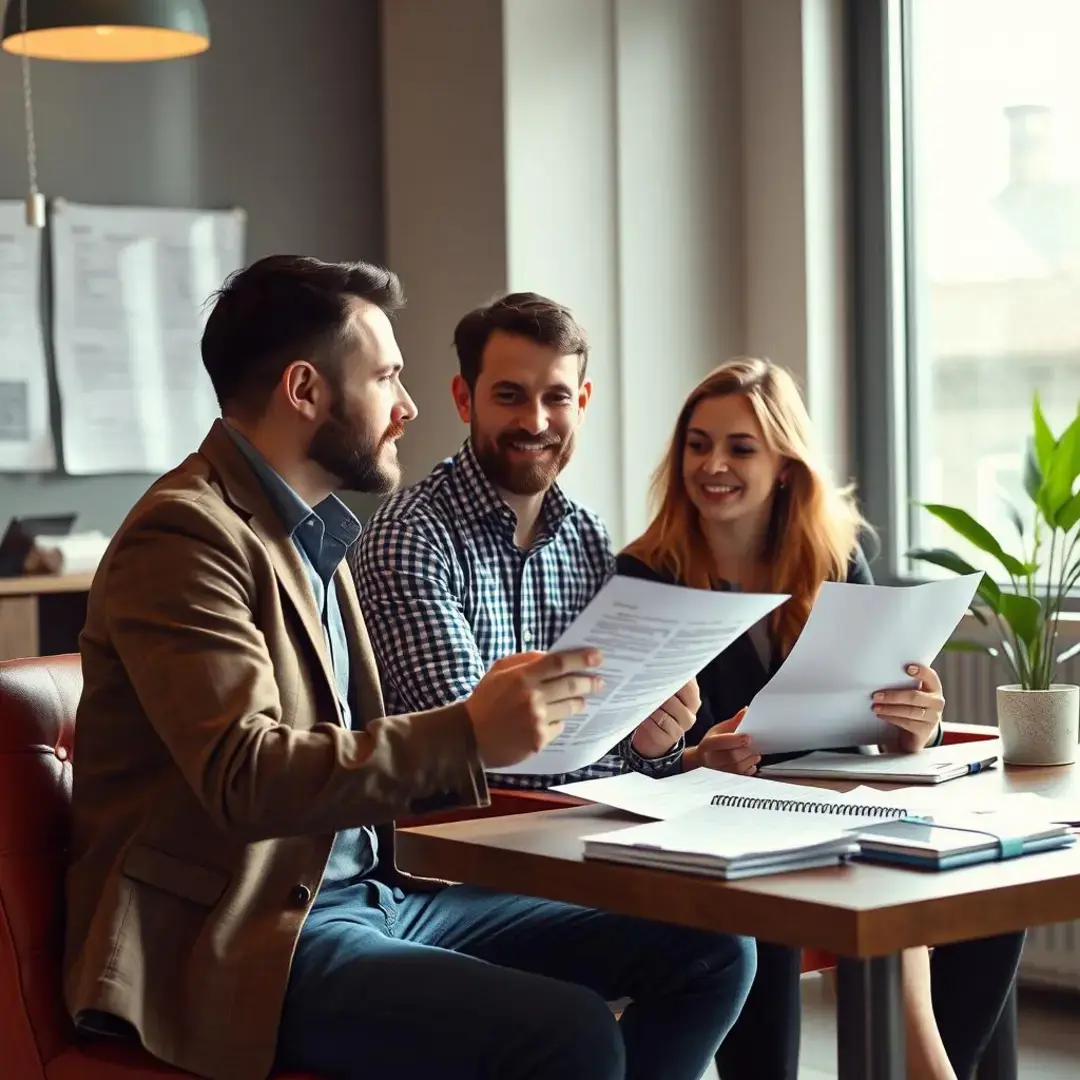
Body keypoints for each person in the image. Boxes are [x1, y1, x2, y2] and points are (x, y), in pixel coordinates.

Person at [61, 257, 758, 1080]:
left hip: (375, 898)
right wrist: (471, 729)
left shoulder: (312, 537)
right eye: (387, 376)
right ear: (305, 390)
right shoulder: (184, 537)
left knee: (716, 948)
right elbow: (242, 776)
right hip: (250, 933)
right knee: (570, 1033)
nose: (408, 407)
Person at [617, 357, 1025, 1080]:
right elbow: (627, 759)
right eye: (698, 444)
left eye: (740, 447)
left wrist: (916, 723)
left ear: (784, 466)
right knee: (816, 908)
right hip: (721, 835)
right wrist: (691, 758)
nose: (712, 464)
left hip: (840, 812)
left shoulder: (834, 560)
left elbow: (887, 710)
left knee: (989, 902)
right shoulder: (644, 576)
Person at [353, 291, 696, 789]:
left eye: (556, 397)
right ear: (464, 398)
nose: (535, 422)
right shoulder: (410, 537)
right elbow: (479, 754)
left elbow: (609, 744)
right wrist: (623, 759)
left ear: (581, 403)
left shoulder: (588, 538)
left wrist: (652, 745)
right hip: (463, 855)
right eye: (510, 396)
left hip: (579, 839)